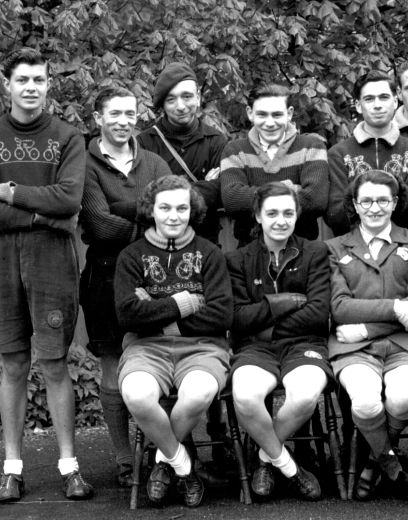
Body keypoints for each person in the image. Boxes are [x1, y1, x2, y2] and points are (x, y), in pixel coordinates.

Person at [0, 47, 93, 502]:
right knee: (13, 363)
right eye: (23, 80)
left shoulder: (67, 136)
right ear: (8, 85)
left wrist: (12, 192)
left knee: (55, 363)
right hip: (0, 261)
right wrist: (39, 217)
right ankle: (11, 468)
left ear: (48, 84)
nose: (31, 87)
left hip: (52, 261)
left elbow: (70, 200)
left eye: (39, 79)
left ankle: (70, 467)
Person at [115, 175, 233, 508]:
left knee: (198, 394)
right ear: (151, 210)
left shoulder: (209, 254)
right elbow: (126, 315)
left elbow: (222, 315)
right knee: (137, 395)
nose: (173, 215)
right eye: (164, 207)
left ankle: (161, 464)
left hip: (202, 349)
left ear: (191, 211)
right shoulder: (131, 256)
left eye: (181, 208)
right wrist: (184, 303)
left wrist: (155, 312)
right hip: (146, 349)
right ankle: (182, 464)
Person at [79, 85, 172, 487]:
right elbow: (99, 225)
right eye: (114, 114)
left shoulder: (153, 161)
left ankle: (162, 455)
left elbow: (176, 210)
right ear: (97, 118)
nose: (123, 121)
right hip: (105, 276)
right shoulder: (82, 163)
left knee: (161, 364)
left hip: (160, 276)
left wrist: (126, 212)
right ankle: (124, 459)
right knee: (114, 369)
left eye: (130, 113)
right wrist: (148, 220)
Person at [325, 170, 408, 502]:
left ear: (395, 203)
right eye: (367, 201)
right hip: (353, 348)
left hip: (407, 345)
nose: (375, 208)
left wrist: (370, 326)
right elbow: (340, 308)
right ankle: (394, 469)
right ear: (355, 205)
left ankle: (374, 462)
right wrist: (395, 308)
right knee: (364, 400)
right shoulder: (333, 248)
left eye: (383, 200)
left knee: (403, 398)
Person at [226, 182, 331, 501]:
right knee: (244, 396)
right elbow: (237, 318)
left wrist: (266, 323)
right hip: (255, 349)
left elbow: (317, 313)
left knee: (305, 395)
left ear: (298, 215)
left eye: (288, 212)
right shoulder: (238, 259)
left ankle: (263, 459)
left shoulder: (316, 252)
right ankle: (288, 467)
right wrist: (280, 302)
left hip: (304, 345)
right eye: (272, 213)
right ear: (257, 216)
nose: (280, 220)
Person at [326, 70, 408, 235]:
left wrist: (361, 199)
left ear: (395, 101)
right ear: (357, 106)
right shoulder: (338, 154)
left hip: (407, 246)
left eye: (384, 97)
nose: (377, 105)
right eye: (369, 99)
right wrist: (396, 193)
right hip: (352, 248)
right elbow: (335, 213)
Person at [220, 84, 329, 244]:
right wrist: (293, 189)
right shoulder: (235, 150)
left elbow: (315, 200)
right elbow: (232, 201)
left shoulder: (311, 146)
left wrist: (255, 194)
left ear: (289, 114)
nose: (270, 123)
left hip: (304, 251)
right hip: (249, 251)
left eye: (277, 115)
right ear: (250, 113)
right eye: (262, 115)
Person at [138, 62, 228, 244]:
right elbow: (143, 197)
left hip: (205, 243)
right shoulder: (144, 143)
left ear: (198, 97)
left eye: (187, 97)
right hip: (157, 244)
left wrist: (164, 192)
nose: (180, 106)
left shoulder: (216, 140)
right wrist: (203, 189)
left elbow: (222, 192)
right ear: (162, 104)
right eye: (171, 100)